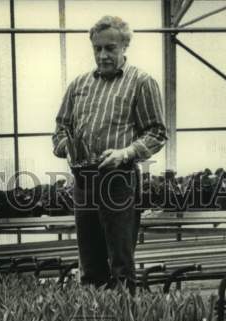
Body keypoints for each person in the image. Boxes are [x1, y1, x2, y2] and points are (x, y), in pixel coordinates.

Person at [52, 14, 167, 292]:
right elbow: (60, 129)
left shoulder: (141, 82)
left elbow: (157, 133)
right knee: (90, 263)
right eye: (97, 48)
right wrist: (68, 147)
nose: (103, 55)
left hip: (118, 181)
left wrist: (125, 153)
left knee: (120, 263)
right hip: (84, 182)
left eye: (110, 48)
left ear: (124, 46)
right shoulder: (79, 86)